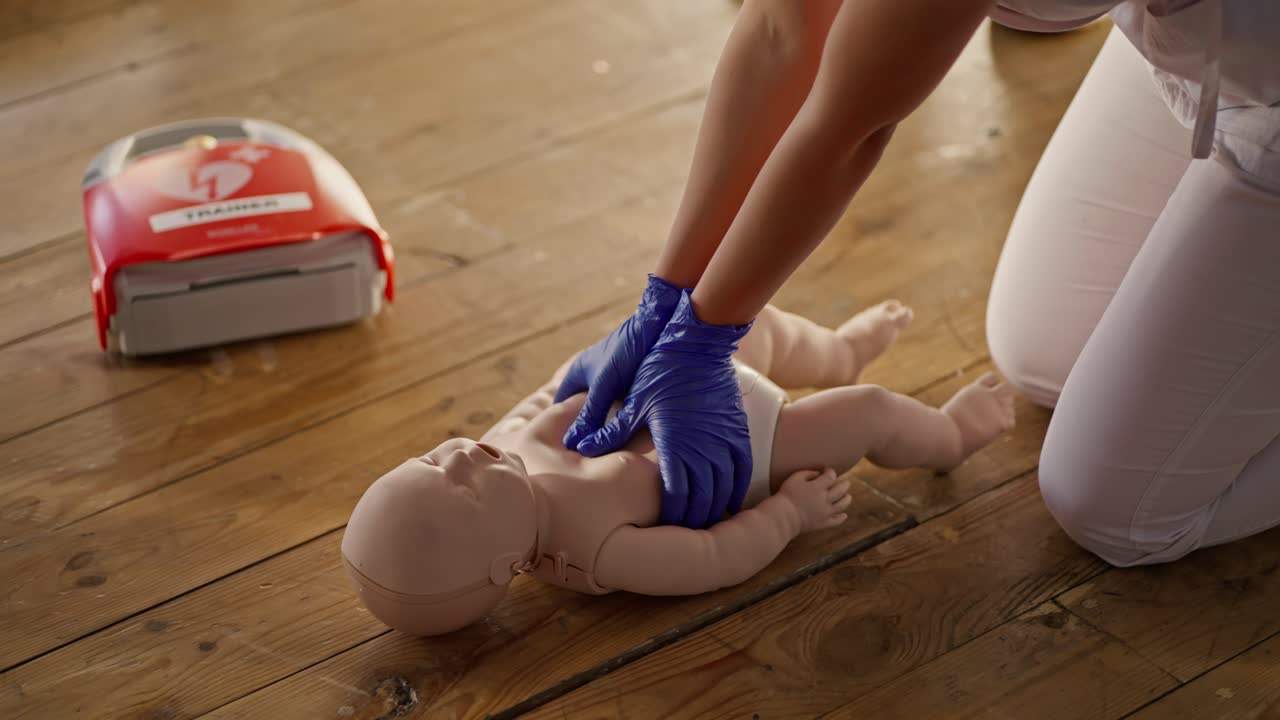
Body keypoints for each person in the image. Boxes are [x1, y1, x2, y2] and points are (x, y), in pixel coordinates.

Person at [555, 0, 1280, 566]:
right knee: (1042, 352)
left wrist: (706, 334)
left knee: (1119, 512)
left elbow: (850, 120)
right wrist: (669, 297)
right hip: (1196, 46)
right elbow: (782, 33)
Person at [342, 299, 1016, 635]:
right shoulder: (596, 553)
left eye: (432, 456)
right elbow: (710, 560)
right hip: (752, 449)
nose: (460, 454)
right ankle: (950, 435)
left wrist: (615, 352)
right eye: (462, 487)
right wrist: (787, 515)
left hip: (678, 380)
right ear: (502, 565)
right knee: (867, 412)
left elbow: (552, 393)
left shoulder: (499, 452)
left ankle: (836, 351)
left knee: (743, 316)